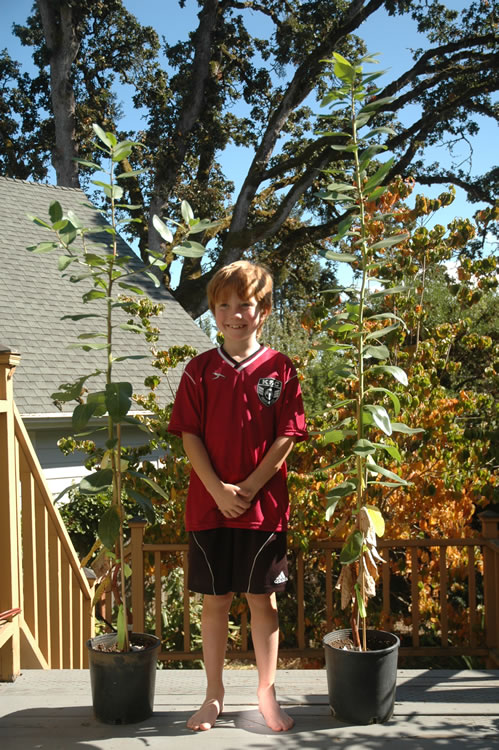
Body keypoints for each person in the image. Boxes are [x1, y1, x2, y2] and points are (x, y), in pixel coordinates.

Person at [168, 260, 308, 732]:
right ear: (213, 311)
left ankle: (267, 694)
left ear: (262, 310)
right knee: (215, 603)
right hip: (210, 510)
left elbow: (288, 435)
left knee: (262, 602)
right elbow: (189, 435)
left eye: (243, 304)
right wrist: (217, 490)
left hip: (263, 510)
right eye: (223, 305)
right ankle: (213, 696)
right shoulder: (199, 370)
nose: (233, 314)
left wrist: (248, 488)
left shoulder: (281, 369)